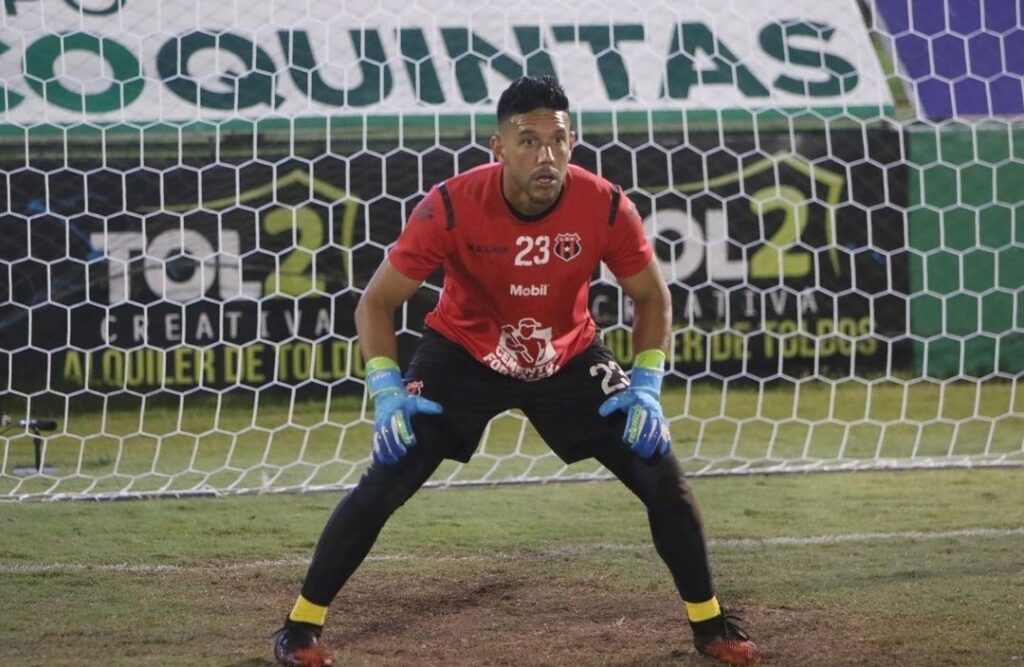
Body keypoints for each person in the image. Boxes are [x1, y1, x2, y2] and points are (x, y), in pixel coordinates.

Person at [273, 75, 760, 667]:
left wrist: (648, 384)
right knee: (391, 473)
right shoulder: (450, 205)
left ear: (572, 142)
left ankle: (710, 625)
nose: (545, 155)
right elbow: (375, 303)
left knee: (661, 473)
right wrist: (386, 389)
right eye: (528, 141)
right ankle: (300, 627)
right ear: (499, 148)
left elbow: (652, 298)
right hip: (464, 353)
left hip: (567, 355)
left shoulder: (605, 205)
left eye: (557, 140)